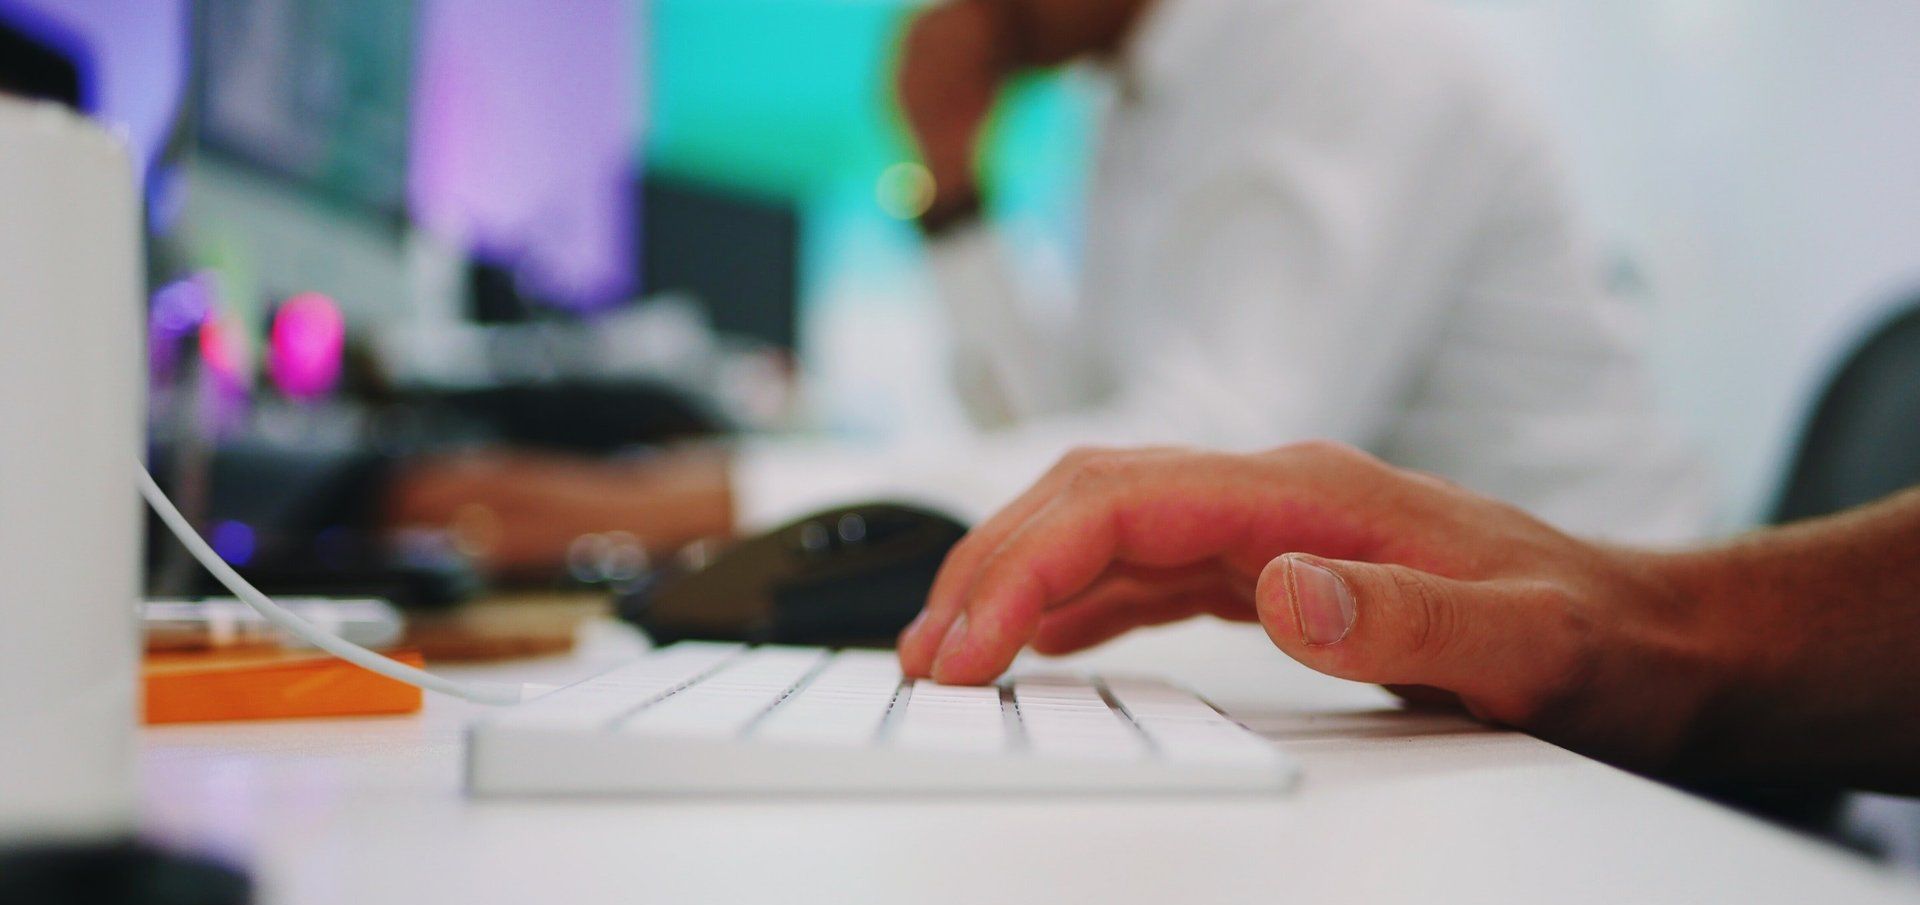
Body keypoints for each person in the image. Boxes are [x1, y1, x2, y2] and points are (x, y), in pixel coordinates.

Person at [389, 0, 1713, 577]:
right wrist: (952, 183)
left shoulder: (1354, 51)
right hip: (1433, 670)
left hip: (1640, 728)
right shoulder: (1137, 95)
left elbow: (1211, 471)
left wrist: (690, 503)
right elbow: (1083, 430)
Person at [897, 442, 1920, 791]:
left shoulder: (1349, 59)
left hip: (1683, 783)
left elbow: (1216, 401)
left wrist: (1671, 625)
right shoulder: (1117, 128)